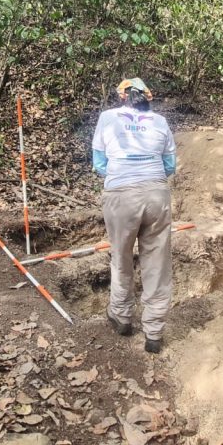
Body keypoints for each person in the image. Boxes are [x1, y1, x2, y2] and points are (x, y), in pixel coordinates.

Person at [92, 77, 177, 353]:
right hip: (157, 195)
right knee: (157, 261)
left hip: (120, 195)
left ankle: (122, 316)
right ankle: (153, 332)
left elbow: (100, 163)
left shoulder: (107, 118)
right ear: (147, 97)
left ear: (122, 96)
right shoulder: (160, 122)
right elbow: (169, 165)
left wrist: (123, 176)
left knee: (121, 256)